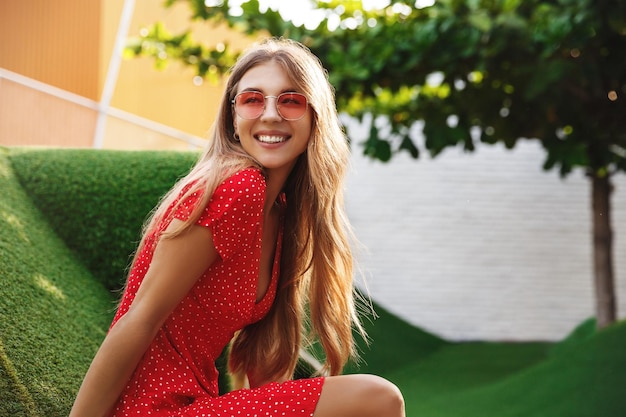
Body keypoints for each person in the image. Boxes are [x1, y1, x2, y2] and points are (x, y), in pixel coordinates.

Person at [70, 37, 405, 417]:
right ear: (233, 115)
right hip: (152, 407)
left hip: (198, 403)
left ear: (315, 116)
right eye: (252, 99)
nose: (271, 114)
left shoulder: (280, 216)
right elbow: (139, 317)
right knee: (380, 398)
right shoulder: (237, 188)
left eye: (290, 100)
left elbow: (264, 372)